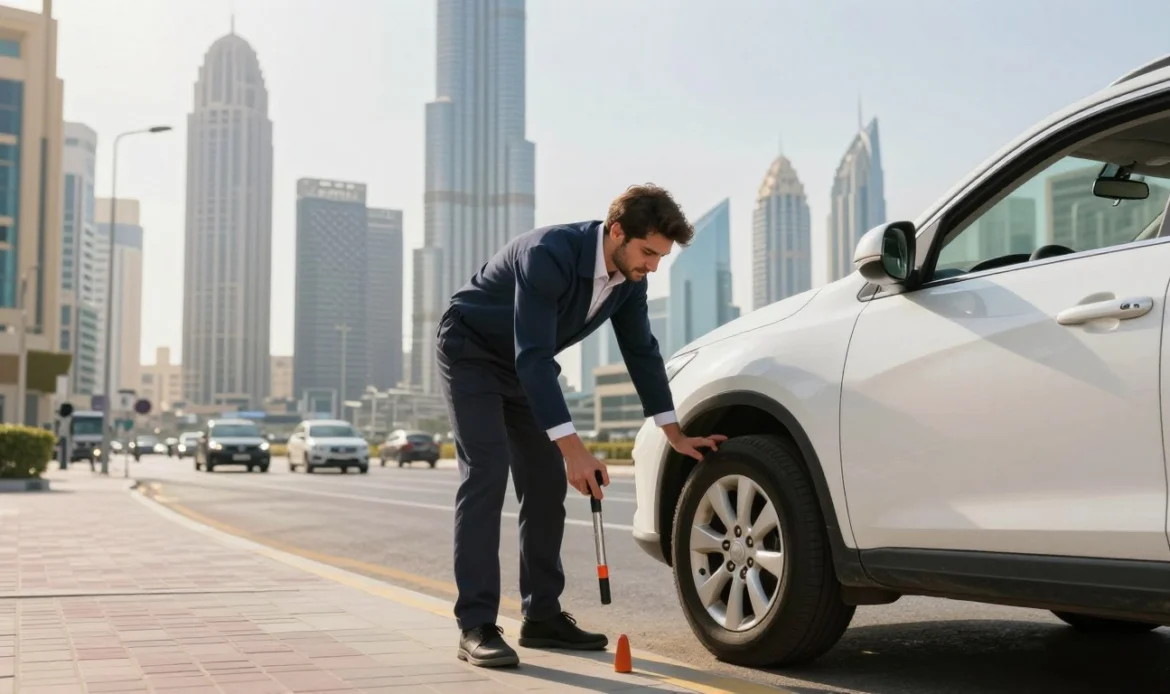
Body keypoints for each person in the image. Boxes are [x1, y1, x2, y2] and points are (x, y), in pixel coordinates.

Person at [436, 183, 728, 668]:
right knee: (488, 473)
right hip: (472, 353)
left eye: (661, 257)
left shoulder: (630, 281)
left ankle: (542, 617)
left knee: (546, 481)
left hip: (525, 365)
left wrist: (673, 432)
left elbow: (641, 351)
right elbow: (531, 355)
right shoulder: (547, 254)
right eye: (648, 252)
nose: (653, 266)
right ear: (617, 231)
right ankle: (476, 625)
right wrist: (574, 449)